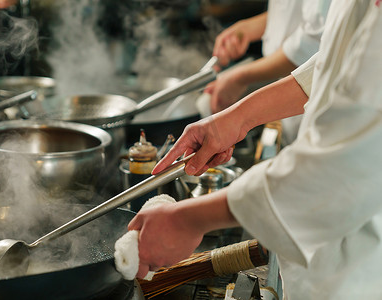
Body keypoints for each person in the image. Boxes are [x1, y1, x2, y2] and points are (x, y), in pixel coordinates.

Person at [128, 0, 382, 298]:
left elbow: (341, 166)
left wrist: (189, 219)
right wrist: (238, 117)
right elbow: (335, 64)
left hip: (359, 271)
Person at [206, 0, 331, 144]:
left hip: (319, 113)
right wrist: (248, 28)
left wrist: (239, 78)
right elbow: (297, 12)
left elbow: (310, 47)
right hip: (293, 104)